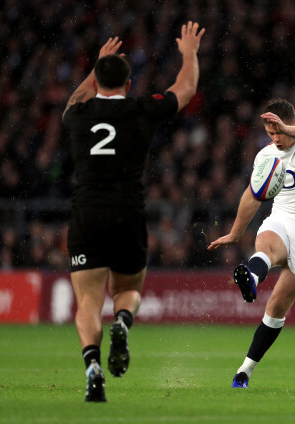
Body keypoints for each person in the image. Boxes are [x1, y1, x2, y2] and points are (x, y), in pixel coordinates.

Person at [62, 22, 205, 402]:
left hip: (88, 213)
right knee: (126, 290)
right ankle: (122, 322)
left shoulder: (77, 114)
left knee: (88, 302)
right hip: (127, 212)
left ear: (96, 81)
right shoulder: (140, 110)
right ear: (129, 84)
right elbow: (185, 90)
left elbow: (75, 98)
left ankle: (93, 367)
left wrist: (98, 65)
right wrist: (189, 52)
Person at [208, 98, 295, 388]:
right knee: (265, 247)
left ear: (294, 124)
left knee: (277, 306)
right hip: (283, 218)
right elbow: (253, 194)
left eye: (280, 132)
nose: (276, 139)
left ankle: (245, 370)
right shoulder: (266, 156)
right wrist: (236, 233)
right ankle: (251, 278)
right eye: (270, 133)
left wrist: (288, 128)